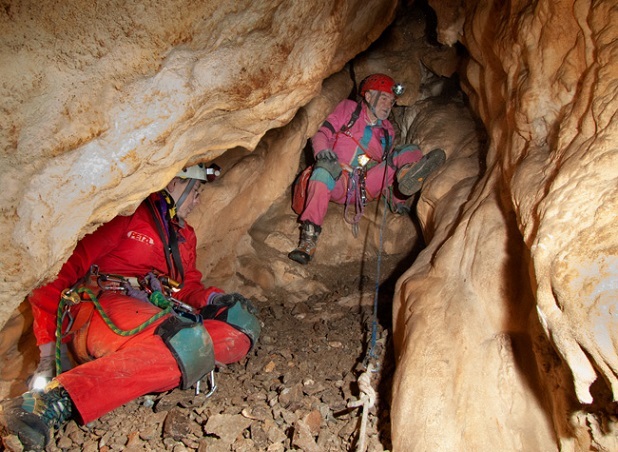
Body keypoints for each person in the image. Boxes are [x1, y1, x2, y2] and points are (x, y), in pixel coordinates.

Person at [0, 164, 261, 451]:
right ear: (175, 183)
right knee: (186, 340)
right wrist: (49, 353)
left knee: (239, 329)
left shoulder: (184, 237)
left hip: (158, 314)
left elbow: (186, 288)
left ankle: (169, 359)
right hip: (103, 307)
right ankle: (54, 401)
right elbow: (55, 275)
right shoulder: (128, 215)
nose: (198, 201)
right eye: (195, 192)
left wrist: (214, 300)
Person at [288, 73, 446, 264]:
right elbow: (322, 132)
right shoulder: (348, 109)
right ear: (369, 96)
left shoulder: (387, 130)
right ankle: (308, 241)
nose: (389, 105)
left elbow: (386, 170)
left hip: (364, 186)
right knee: (324, 168)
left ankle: (402, 193)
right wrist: (323, 153)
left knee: (408, 150)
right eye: (385, 98)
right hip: (338, 180)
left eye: (392, 101)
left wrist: (396, 198)